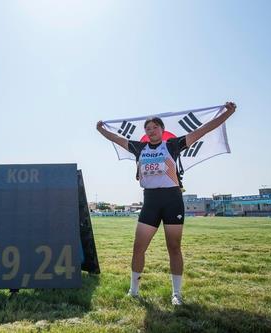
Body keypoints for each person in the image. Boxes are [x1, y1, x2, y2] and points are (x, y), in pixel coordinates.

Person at [96, 102, 237, 305]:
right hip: (150, 202)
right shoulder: (139, 147)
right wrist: (101, 130)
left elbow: (204, 130)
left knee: (174, 247)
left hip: (172, 200)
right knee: (138, 248)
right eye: (148, 129)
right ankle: (133, 291)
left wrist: (228, 113)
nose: (151, 131)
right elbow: (116, 138)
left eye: (155, 127)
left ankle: (176, 294)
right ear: (145, 133)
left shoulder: (172, 145)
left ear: (162, 130)